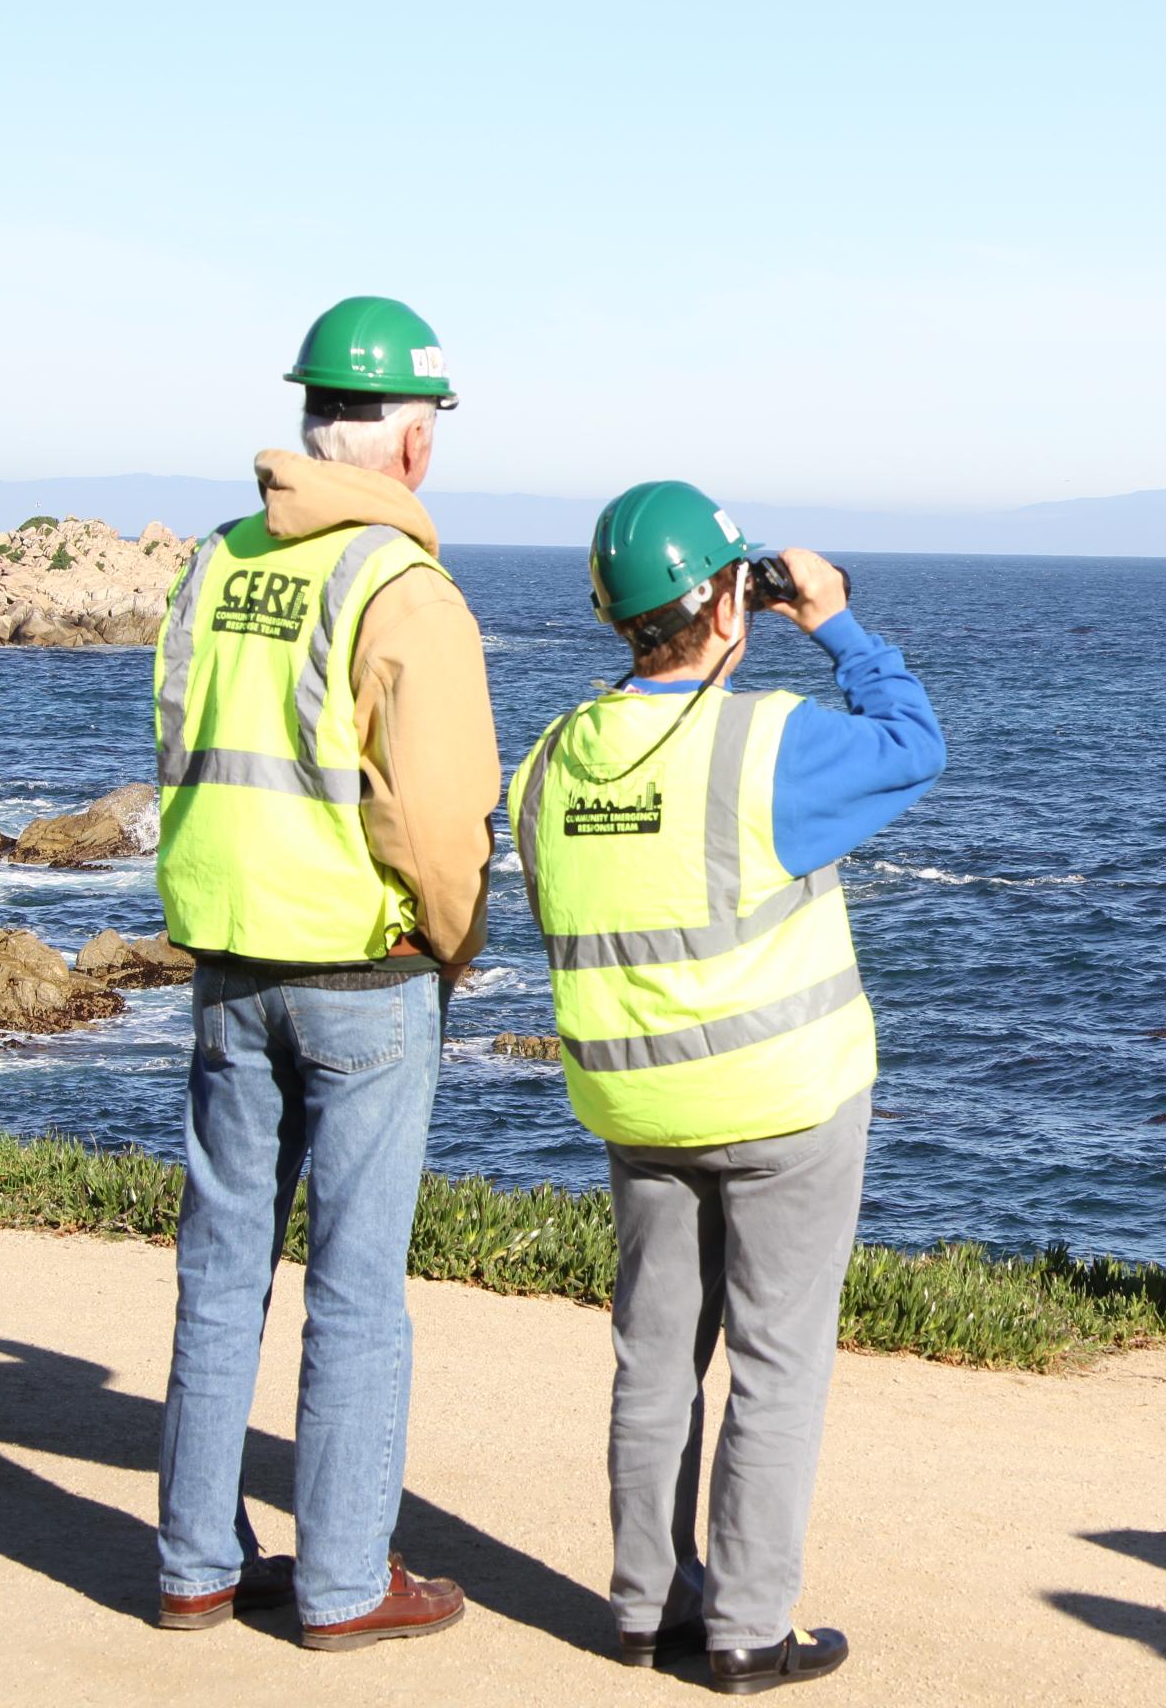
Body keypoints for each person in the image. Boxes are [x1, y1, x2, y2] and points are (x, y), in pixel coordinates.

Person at [508, 481, 942, 1690]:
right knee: (776, 1363)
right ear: (725, 604)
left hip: (634, 1104)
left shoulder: (550, 760)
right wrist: (836, 621)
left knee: (654, 1360)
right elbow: (915, 745)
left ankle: (647, 1608)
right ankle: (748, 1629)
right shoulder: (767, 744)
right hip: (784, 1101)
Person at [152, 295, 500, 1649]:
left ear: (311, 419)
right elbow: (439, 815)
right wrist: (452, 941)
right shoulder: (400, 587)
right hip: (360, 969)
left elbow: (181, 739)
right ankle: (347, 1580)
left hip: (226, 953)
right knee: (356, 1288)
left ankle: (195, 1565)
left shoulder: (214, 563)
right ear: (411, 443)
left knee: (220, 1267)